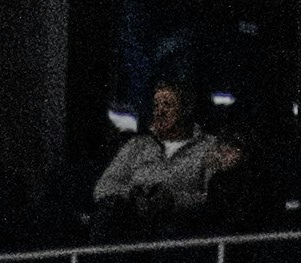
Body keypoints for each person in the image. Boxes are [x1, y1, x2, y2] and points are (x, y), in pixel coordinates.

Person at [90, 82, 237, 231]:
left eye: (167, 105)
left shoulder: (209, 146)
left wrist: (174, 199)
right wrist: (131, 195)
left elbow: (212, 197)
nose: (159, 112)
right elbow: (103, 187)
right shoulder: (138, 145)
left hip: (181, 227)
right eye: (156, 106)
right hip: (134, 222)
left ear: (186, 109)